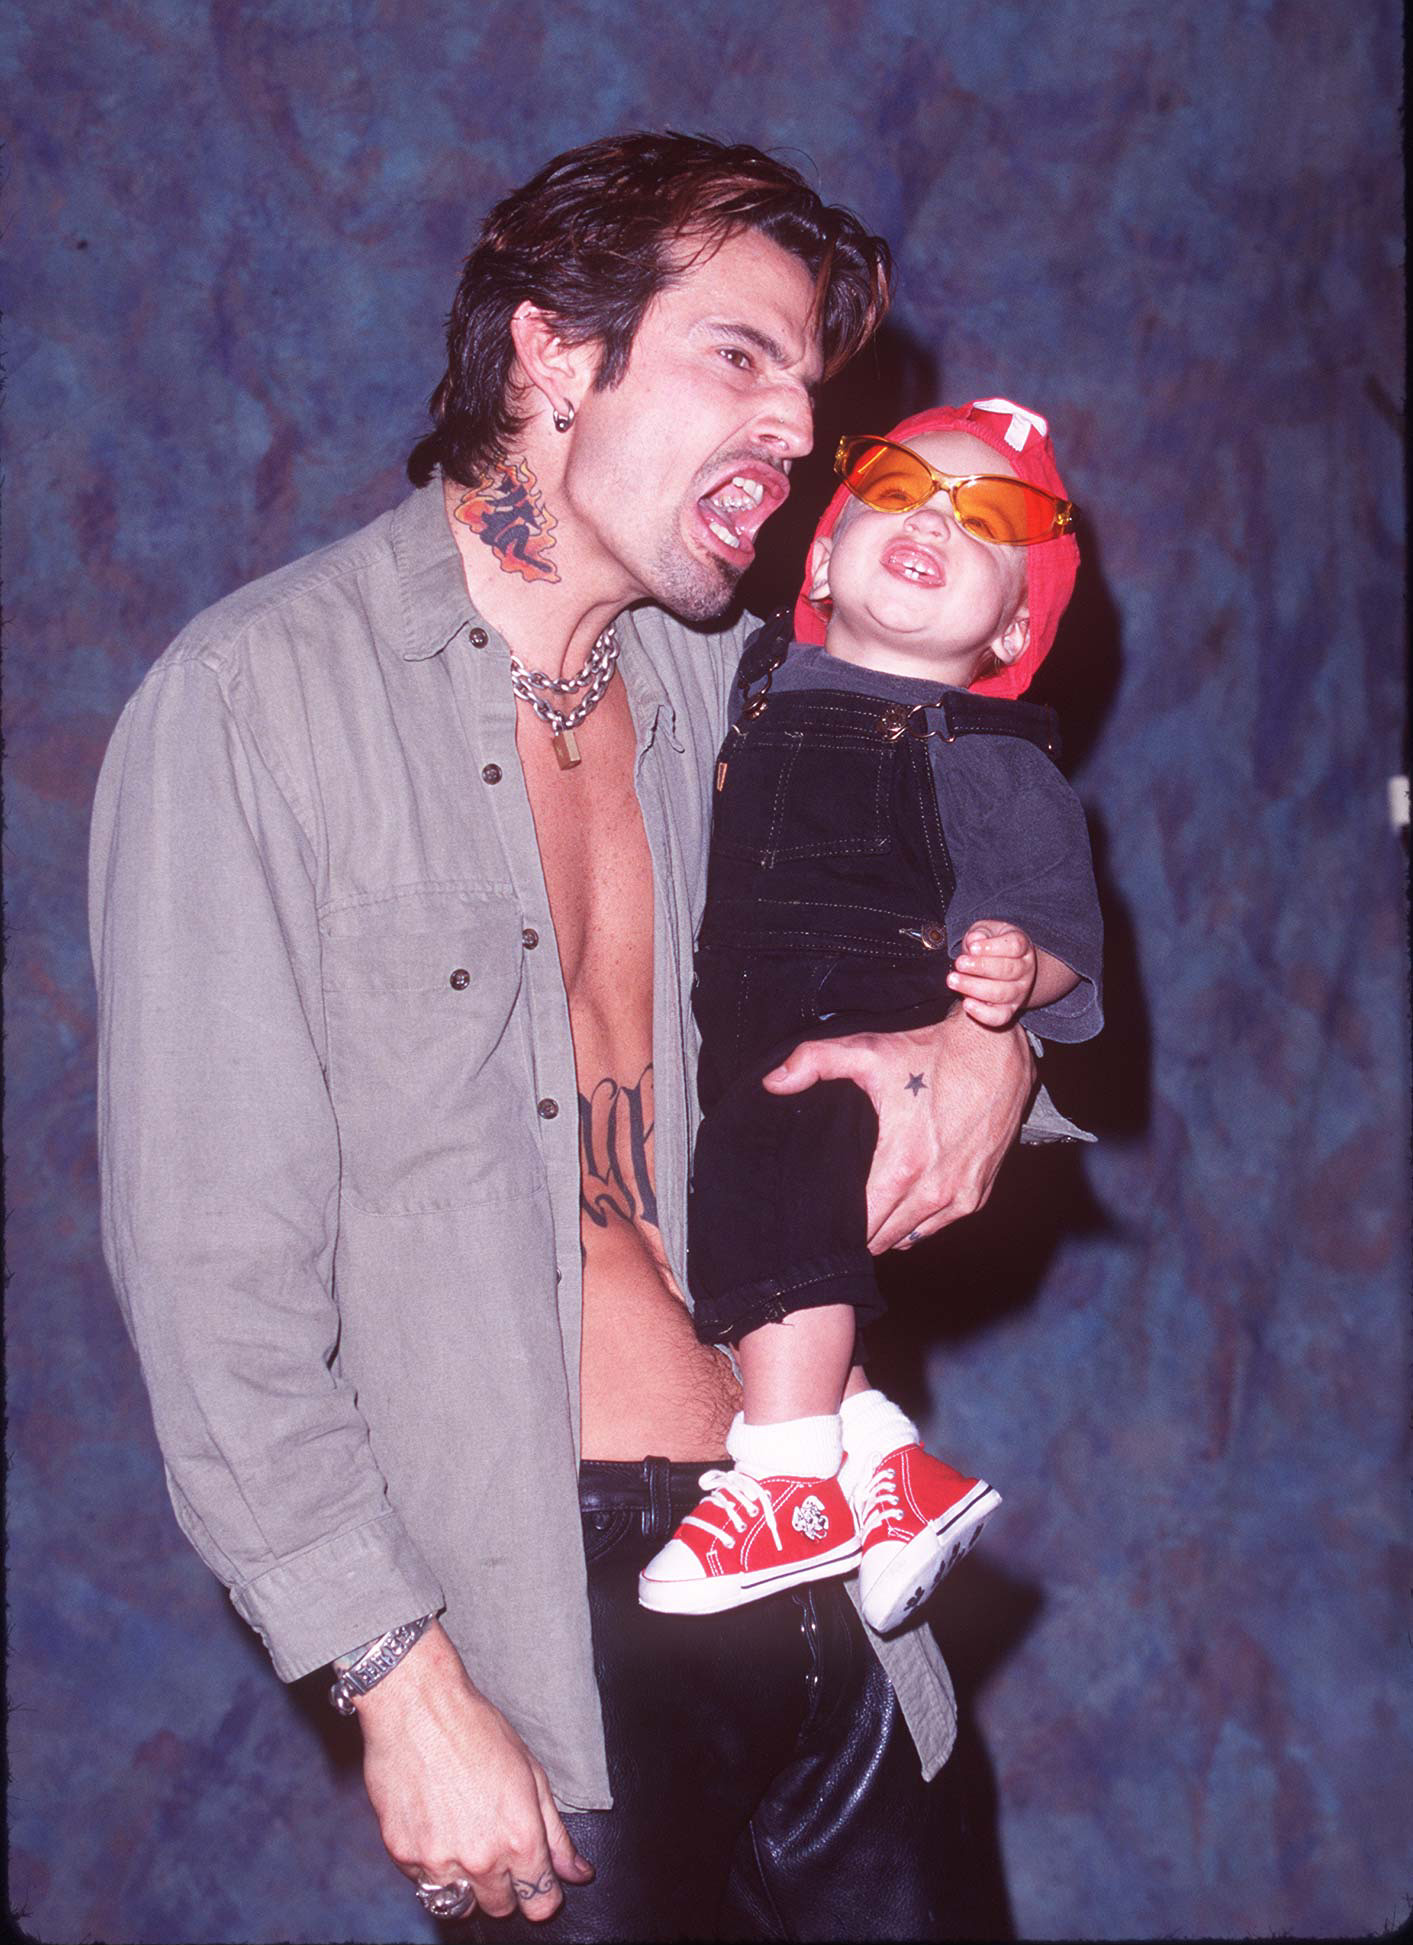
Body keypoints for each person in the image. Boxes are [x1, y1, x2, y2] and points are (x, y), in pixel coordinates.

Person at [90, 133, 1043, 1940]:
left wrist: (996, 1056)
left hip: (836, 1571)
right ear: (548, 354)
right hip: (556, 1647)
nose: (792, 430)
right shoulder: (255, 702)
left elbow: (968, 916)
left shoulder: (752, 687)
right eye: (737, 358)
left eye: (807, 390)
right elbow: (214, 1283)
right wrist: (395, 1681)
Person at [637, 400, 1102, 1634]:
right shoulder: (751, 685)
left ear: (1009, 626)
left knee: (779, 1181)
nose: (936, 520)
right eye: (899, 489)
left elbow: (1063, 923)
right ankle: (888, 1471)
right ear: (824, 557)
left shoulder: (991, 756)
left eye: (989, 521)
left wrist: (1017, 980)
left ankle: (787, 1476)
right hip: (746, 1020)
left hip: (866, 1025)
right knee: (747, 1224)